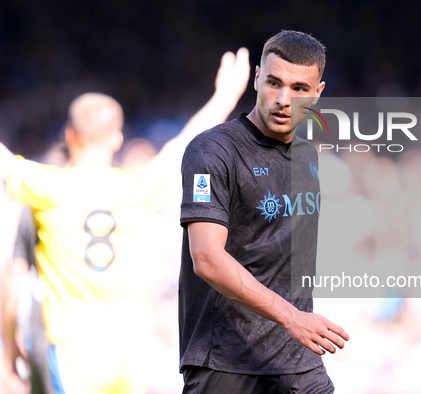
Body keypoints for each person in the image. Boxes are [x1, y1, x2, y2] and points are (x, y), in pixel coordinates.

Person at [0, 47, 250, 394]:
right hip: (129, 348)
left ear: (70, 136)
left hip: (73, 348)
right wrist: (226, 95)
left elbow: (4, 162)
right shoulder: (138, 187)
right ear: (117, 139)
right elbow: (184, 144)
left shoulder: (46, 187)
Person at [178, 30, 349, 393]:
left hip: (297, 359)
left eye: (299, 89)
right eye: (274, 82)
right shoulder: (212, 151)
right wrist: (291, 317)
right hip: (224, 359)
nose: (284, 99)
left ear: (317, 94)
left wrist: (295, 323)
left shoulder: (307, 156)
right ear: (257, 78)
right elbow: (206, 258)